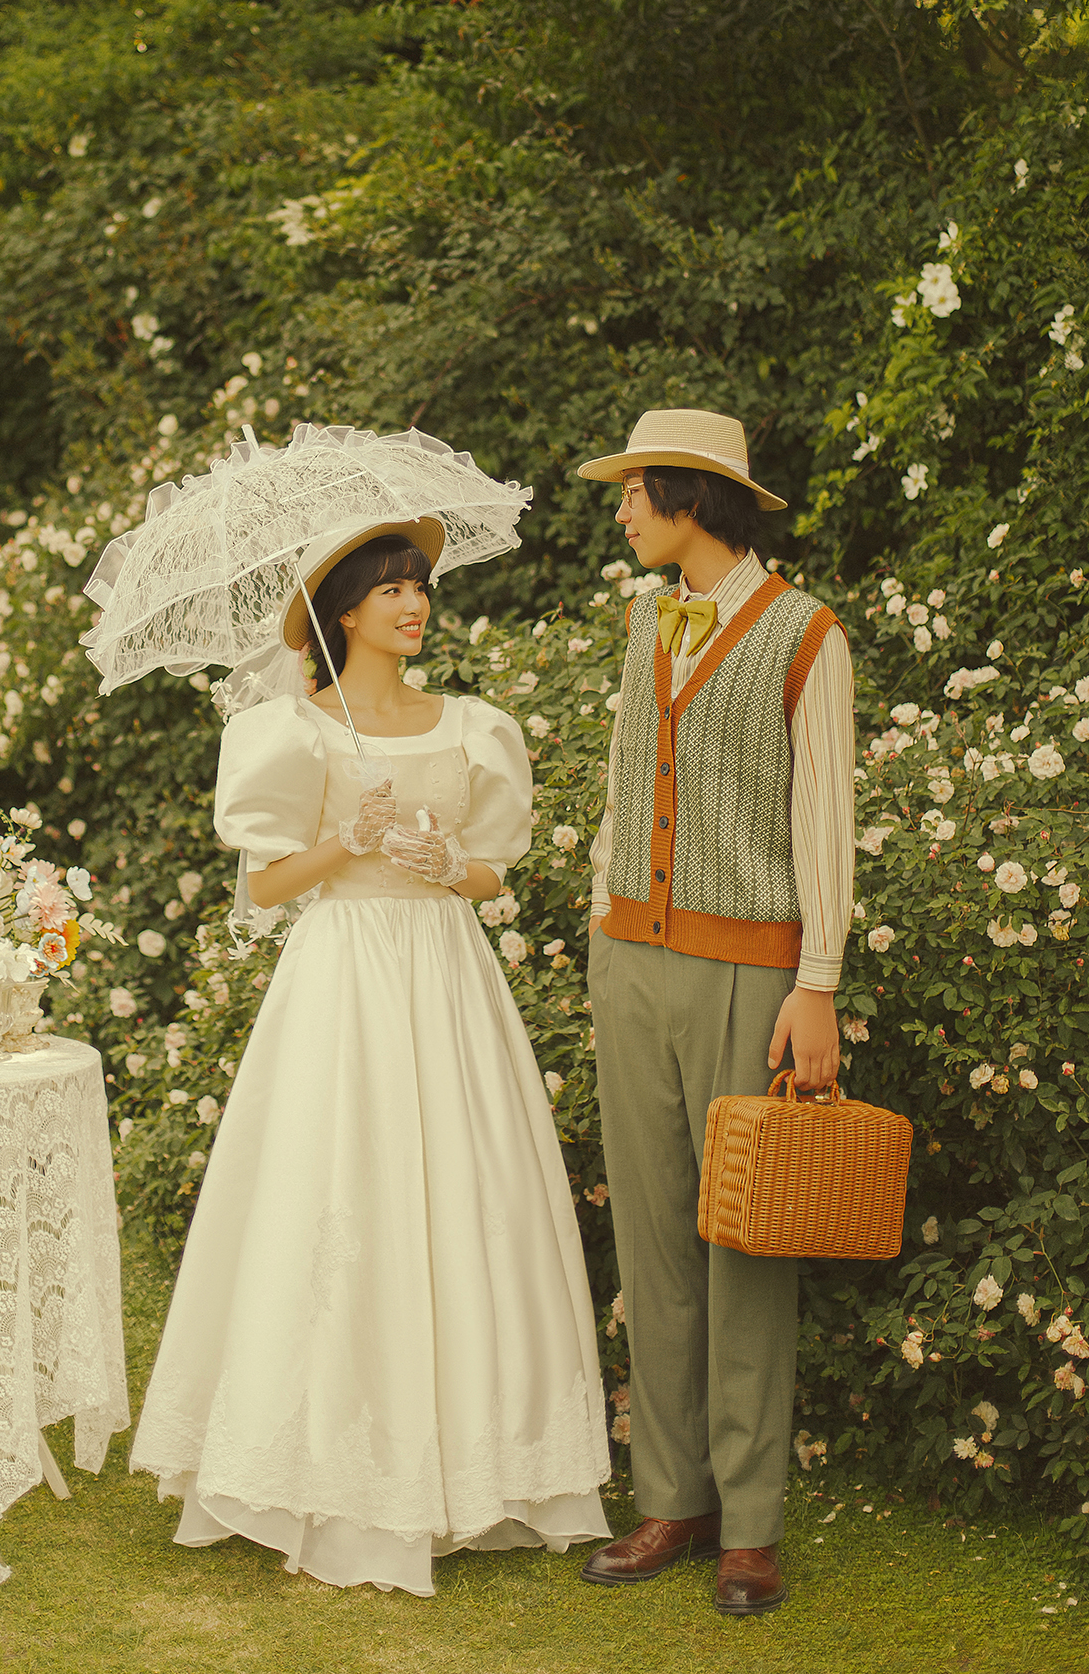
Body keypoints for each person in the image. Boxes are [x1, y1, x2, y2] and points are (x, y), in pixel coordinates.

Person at [130, 519, 613, 1596]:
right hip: (341, 976)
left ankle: (479, 1460)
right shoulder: (290, 732)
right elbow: (264, 887)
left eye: (419, 587)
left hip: (443, 974)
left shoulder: (474, 726)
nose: (414, 604)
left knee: (465, 1189)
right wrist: (346, 840)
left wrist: (447, 863)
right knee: (334, 1189)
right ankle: (318, 1463)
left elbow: (493, 873)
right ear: (342, 610)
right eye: (392, 588)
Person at [574, 408, 854, 1618]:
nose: (621, 510)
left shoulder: (804, 632)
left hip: (749, 970)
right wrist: (602, 905)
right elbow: (623, 777)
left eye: (633, 490)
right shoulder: (645, 619)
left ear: (688, 497)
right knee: (650, 1237)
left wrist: (816, 981)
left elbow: (822, 814)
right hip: (628, 958)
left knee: (743, 1242)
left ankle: (747, 1525)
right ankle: (669, 1498)